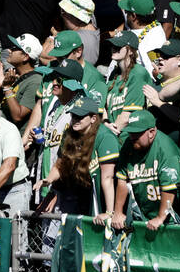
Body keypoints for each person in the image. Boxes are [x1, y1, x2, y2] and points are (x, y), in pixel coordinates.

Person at [35, 93, 120, 222]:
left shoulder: (105, 137)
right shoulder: (70, 134)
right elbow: (61, 163)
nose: (75, 119)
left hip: (101, 195)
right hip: (80, 193)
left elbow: (108, 178)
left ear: (93, 118)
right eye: (74, 115)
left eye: (80, 116)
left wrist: (109, 212)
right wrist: (49, 180)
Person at [110, 109, 180, 230]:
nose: (132, 137)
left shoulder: (166, 149)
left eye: (137, 133)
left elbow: (169, 188)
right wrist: (117, 212)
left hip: (169, 219)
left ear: (152, 132)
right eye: (130, 132)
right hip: (143, 215)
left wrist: (160, 217)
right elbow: (122, 180)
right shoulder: (129, 145)